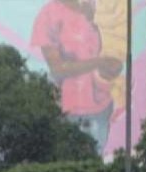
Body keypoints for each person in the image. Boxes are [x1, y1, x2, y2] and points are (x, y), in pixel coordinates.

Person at [31, 0, 122, 152]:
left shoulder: (90, 9)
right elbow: (58, 68)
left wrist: (108, 67)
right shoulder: (49, 14)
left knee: (95, 166)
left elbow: (97, 53)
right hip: (69, 108)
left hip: (100, 105)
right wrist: (97, 63)